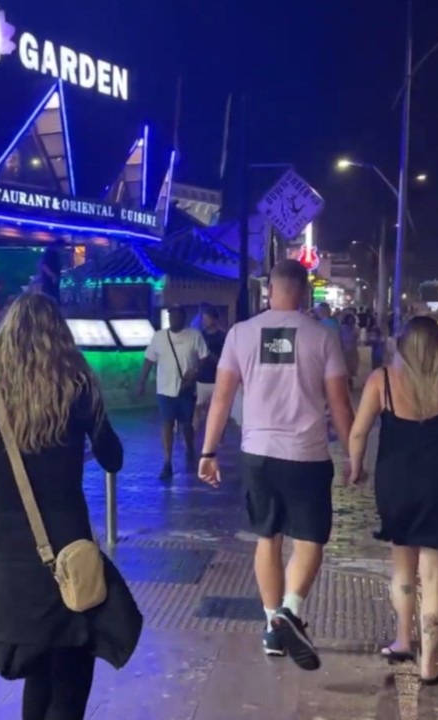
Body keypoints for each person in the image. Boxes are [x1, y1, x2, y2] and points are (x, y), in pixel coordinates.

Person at [0, 293, 141, 720]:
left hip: (11, 557)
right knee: (70, 676)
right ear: (59, 338)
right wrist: (95, 416)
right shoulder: (79, 390)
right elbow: (114, 459)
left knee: (38, 673)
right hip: (70, 553)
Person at [198, 259, 355, 671]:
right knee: (309, 540)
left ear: (269, 289)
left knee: (267, 539)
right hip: (306, 455)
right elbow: (339, 403)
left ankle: (273, 629)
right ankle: (291, 608)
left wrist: (208, 451)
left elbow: (221, 397)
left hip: (258, 454)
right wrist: (356, 452)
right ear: (303, 292)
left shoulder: (240, 334)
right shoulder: (322, 338)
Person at [346, 315, 438, 686]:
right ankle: (430, 663)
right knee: (435, 574)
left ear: (401, 344)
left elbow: (359, 431)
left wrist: (355, 468)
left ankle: (402, 641)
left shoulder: (382, 380)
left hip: (397, 483)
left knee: (402, 566)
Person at [138, 306, 208, 480]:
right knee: (167, 423)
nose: (172, 319)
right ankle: (167, 462)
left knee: (186, 424)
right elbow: (149, 360)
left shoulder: (194, 336)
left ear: (183, 318)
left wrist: (195, 372)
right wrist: (142, 382)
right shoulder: (159, 337)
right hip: (165, 390)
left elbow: (204, 358)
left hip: (186, 389)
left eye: (176, 316)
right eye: (170, 316)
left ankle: (190, 447)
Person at [194, 307, 227, 431]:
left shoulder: (222, 337)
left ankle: (219, 437)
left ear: (214, 319)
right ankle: (192, 438)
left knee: (215, 410)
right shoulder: (199, 336)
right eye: (203, 318)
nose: (204, 321)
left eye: (207, 318)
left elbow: (224, 359)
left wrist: (211, 357)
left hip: (216, 379)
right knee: (197, 409)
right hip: (201, 379)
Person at [340, 312, 360, 388]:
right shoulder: (342, 328)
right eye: (349, 319)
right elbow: (340, 337)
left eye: (352, 319)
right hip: (345, 348)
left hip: (353, 348)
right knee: (346, 365)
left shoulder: (355, 328)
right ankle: (347, 381)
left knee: (352, 365)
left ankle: (350, 380)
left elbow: (357, 338)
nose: (350, 321)